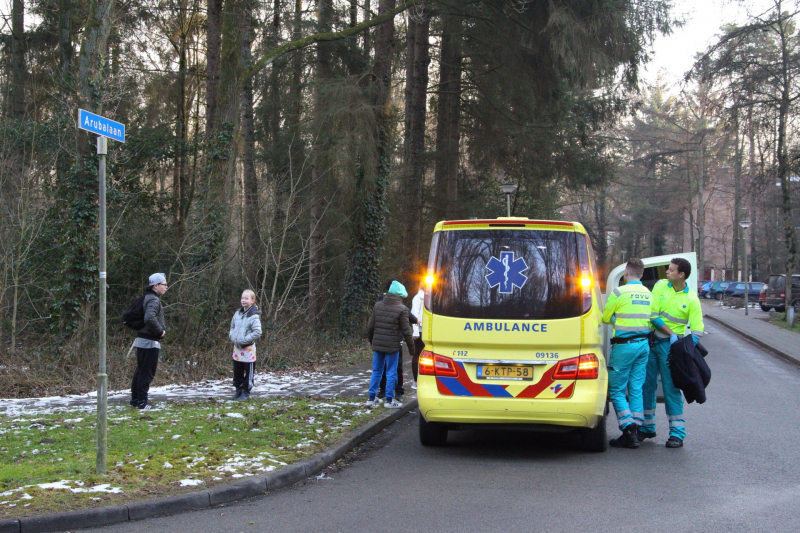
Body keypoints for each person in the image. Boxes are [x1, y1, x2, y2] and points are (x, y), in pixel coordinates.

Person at [641, 257, 705, 448]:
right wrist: (671, 334)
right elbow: (653, 315)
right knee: (647, 385)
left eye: (670, 270)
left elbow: (697, 331)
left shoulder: (691, 299)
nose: (667, 272)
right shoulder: (661, 285)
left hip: (672, 350)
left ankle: (677, 434)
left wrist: (683, 350)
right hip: (654, 342)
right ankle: (647, 427)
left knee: (671, 389)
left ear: (681, 274)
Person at [601, 258, 652, 449]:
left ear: (626, 273)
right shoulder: (648, 293)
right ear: (642, 274)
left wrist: (618, 320)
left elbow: (605, 317)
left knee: (616, 389)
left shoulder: (618, 292)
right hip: (643, 345)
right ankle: (637, 429)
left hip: (624, 346)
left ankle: (627, 428)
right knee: (636, 387)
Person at [366, 280, 415, 408]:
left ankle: (371, 399)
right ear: (400, 295)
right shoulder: (402, 309)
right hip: (393, 347)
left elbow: (370, 328)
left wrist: (373, 342)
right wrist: (412, 350)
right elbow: (406, 331)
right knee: (391, 372)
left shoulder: (378, 306)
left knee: (376, 371)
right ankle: (389, 400)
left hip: (378, 345)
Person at [130, 273, 167, 410]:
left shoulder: (146, 297)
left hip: (142, 339)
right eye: (164, 284)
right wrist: (160, 331)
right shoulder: (153, 300)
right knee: (146, 372)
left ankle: (135, 400)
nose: (166, 287)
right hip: (149, 341)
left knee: (140, 371)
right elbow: (149, 318)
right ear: (155, 285)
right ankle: (142, 402)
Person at [228, 289, 263, 401]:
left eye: (246, 298)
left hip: (248, 349)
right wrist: (232, 336)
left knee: (248, 372)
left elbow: (257, 332)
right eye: (242, 298)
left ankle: (246, 392)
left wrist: (244, 340)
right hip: (237, 348)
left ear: (252, 301)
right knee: (237, 370)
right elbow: (232, 326)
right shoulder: (237, 313)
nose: (243, 300)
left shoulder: (254, 316)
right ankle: (238, 390)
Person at [409, 283, 425, 390]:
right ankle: (416, 380)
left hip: (431, 330)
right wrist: (415, 332)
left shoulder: (433, 297)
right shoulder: (418, 298)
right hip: (420, 330)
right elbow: (414, 313)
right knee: (417, 355)